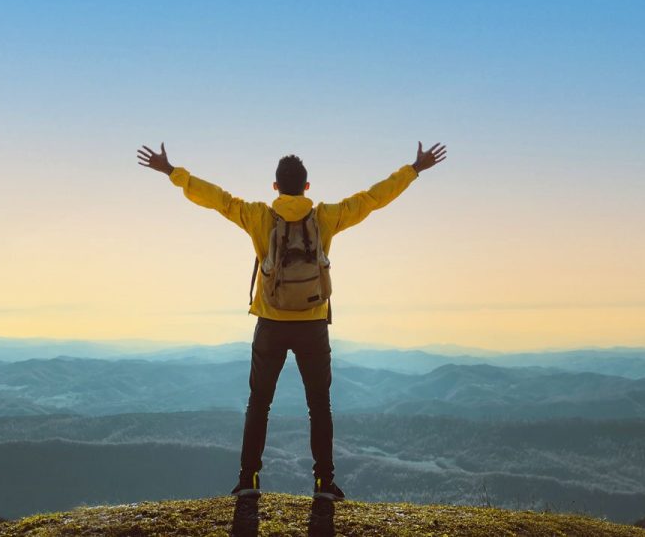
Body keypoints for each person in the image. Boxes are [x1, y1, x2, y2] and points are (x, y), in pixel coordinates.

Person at [136, 141, 447, 501]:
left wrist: (173, 172)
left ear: (275, 187)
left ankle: (248, 480)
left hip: (270, 322)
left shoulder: (258, 216)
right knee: (319, 406)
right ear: (307, 187)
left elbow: (217, 198)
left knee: (259, 403)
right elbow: (372, 198)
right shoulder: (326, 217)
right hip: (313, 324)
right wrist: (414, 169)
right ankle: (324, 483)